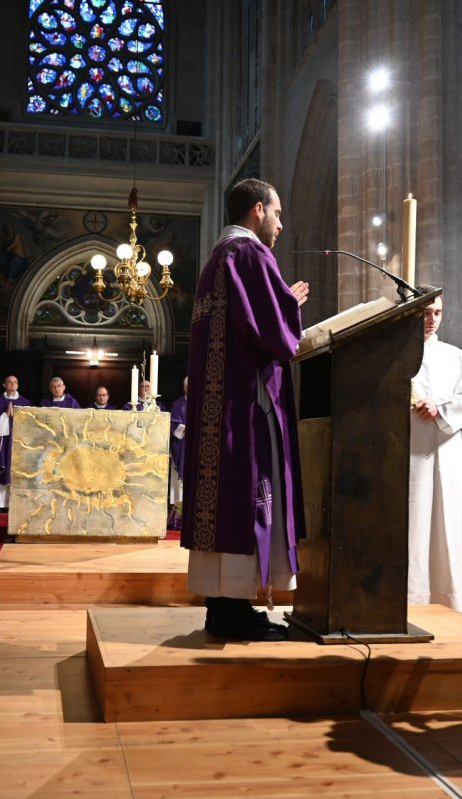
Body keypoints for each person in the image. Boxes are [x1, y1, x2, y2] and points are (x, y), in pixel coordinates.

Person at [181, 177, 310, 641]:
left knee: (225, 502)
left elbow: (247, 317)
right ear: (257, 210)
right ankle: (232, 613)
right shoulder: (250, 253)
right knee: (245, 497)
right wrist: (289, 304)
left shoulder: (217, 258)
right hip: (246, 409)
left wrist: (279, 302)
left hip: (223, 406)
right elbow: (272, 332)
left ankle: (224, 607)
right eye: (277, 214)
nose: (279, 224)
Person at [408, 291, 462, 610]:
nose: (432, 319)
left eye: (437, 312)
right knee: (413, 517)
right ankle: (410, 594)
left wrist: (439, 407)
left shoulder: (455, 356)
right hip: (409, 448)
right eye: (426, 312)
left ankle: (445, 594)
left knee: (445, 517)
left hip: (444, 448)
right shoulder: (396, 354)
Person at [0, 375, 31, 509]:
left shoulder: (25, 402)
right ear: (4, 385)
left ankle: (14, 504)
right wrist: (4, 415)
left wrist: (17, 416)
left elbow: (30, 423)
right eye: (9, 382)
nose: (12, 384)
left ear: (18, 385)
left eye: (15, 382)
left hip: (17, 443)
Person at [168, 377, 188, 524]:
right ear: (184, 387)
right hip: (181, 446)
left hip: (195, 445)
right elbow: (174, 424)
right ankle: (178, 518)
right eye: (188, 386)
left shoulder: (201, 403)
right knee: (178, 483)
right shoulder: (177, 404)